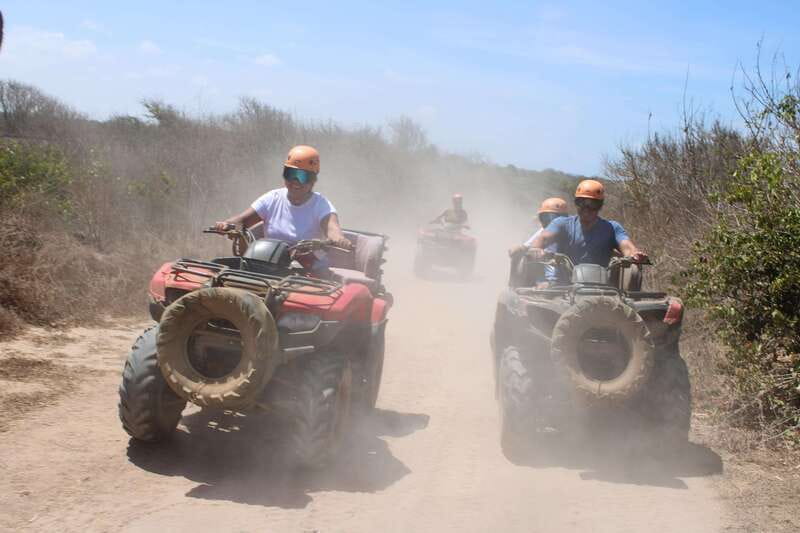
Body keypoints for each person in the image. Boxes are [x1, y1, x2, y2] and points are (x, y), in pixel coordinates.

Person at [214, 145, 352, 261]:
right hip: (269, 262)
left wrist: (339, 239)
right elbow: (242, 221)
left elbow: (333, 229)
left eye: (302, 176)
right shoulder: (272, 198)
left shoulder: (321, 204)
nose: (295, 181)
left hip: (308, 267)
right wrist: (226, 225)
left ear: (313, 180)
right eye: (290, 174)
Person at [525, 179, 647, 267]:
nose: (587, 209)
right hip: (561, 288)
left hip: (601, 289)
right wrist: (536, 249)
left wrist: (635, 255)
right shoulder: (561, 224)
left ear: (600, 206)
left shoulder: (612, 228)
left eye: (593, 205)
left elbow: (627, 247)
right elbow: (543, 239)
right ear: (576, 204)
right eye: (582, 204)